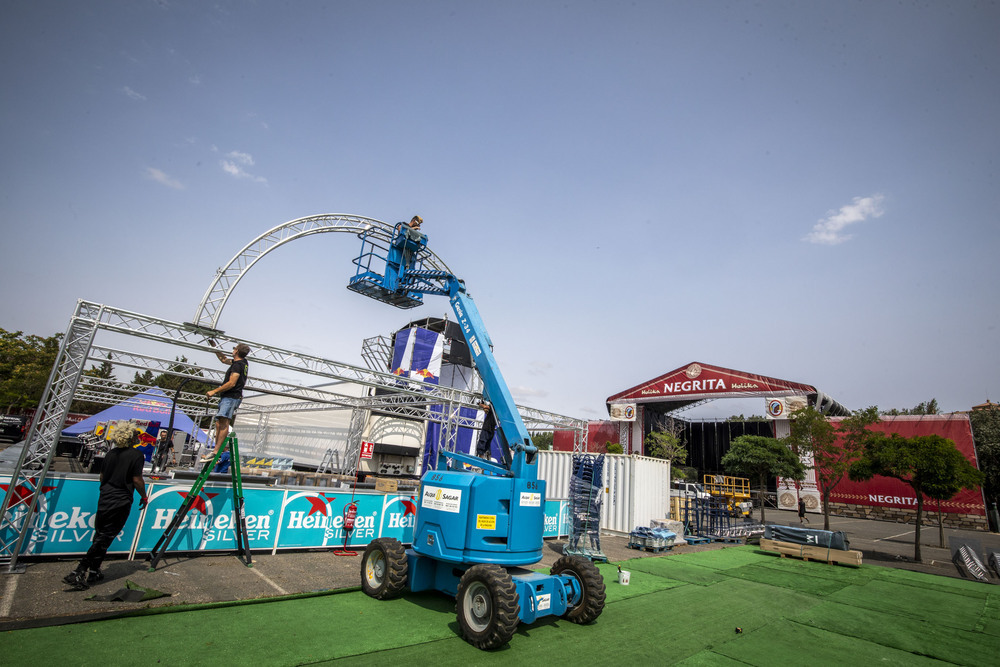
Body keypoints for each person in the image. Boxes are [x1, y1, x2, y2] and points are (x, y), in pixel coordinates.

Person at [63, 428, 147, 590]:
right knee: (106, 536)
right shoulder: (136, 455)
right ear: (130, 438)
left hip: (106, 496)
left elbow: (102, 476)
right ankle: (80, 569)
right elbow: (137, 479)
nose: (138, 437)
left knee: (101, 534)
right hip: (121, 499)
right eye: (136, 435)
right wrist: (143, 496)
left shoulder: (111, 453)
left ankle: (94, 570)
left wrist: (106, 488)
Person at [203, 341, 250, 462]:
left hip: (231, 397)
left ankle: (216, 452)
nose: (233, 349)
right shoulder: (242, 363)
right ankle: (218, 449)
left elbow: (231, 383)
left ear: (237, 351)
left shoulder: (237, 366)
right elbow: (223, 359)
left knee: (223, 423)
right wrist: (214, 346)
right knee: (219, 422)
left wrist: (214, 391)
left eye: (234, 348)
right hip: (229, 397)